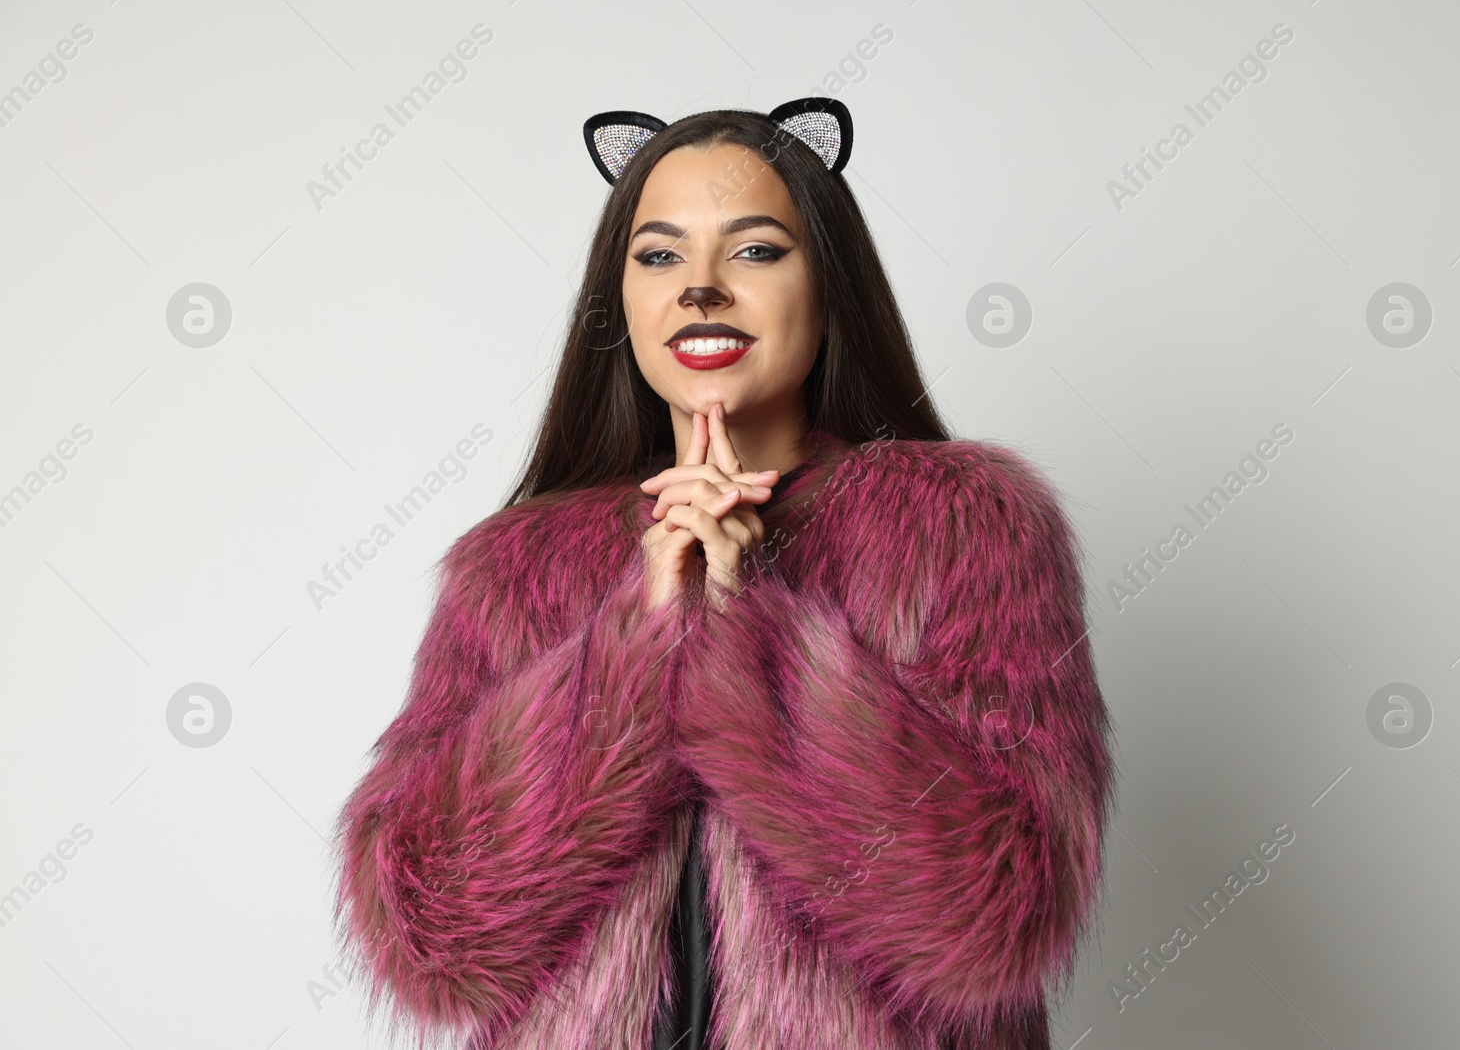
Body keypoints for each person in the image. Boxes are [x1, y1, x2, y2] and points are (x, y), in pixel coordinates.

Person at [331, 97, 1116, 1050]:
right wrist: (633, 649)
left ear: (829, 286)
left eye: (754, 251)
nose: (700, 289)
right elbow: (429, 935)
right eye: (659, 255)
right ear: (618, 300)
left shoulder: (962, 529)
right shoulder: (513, 570)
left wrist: (753, 637)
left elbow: (1000, 912)